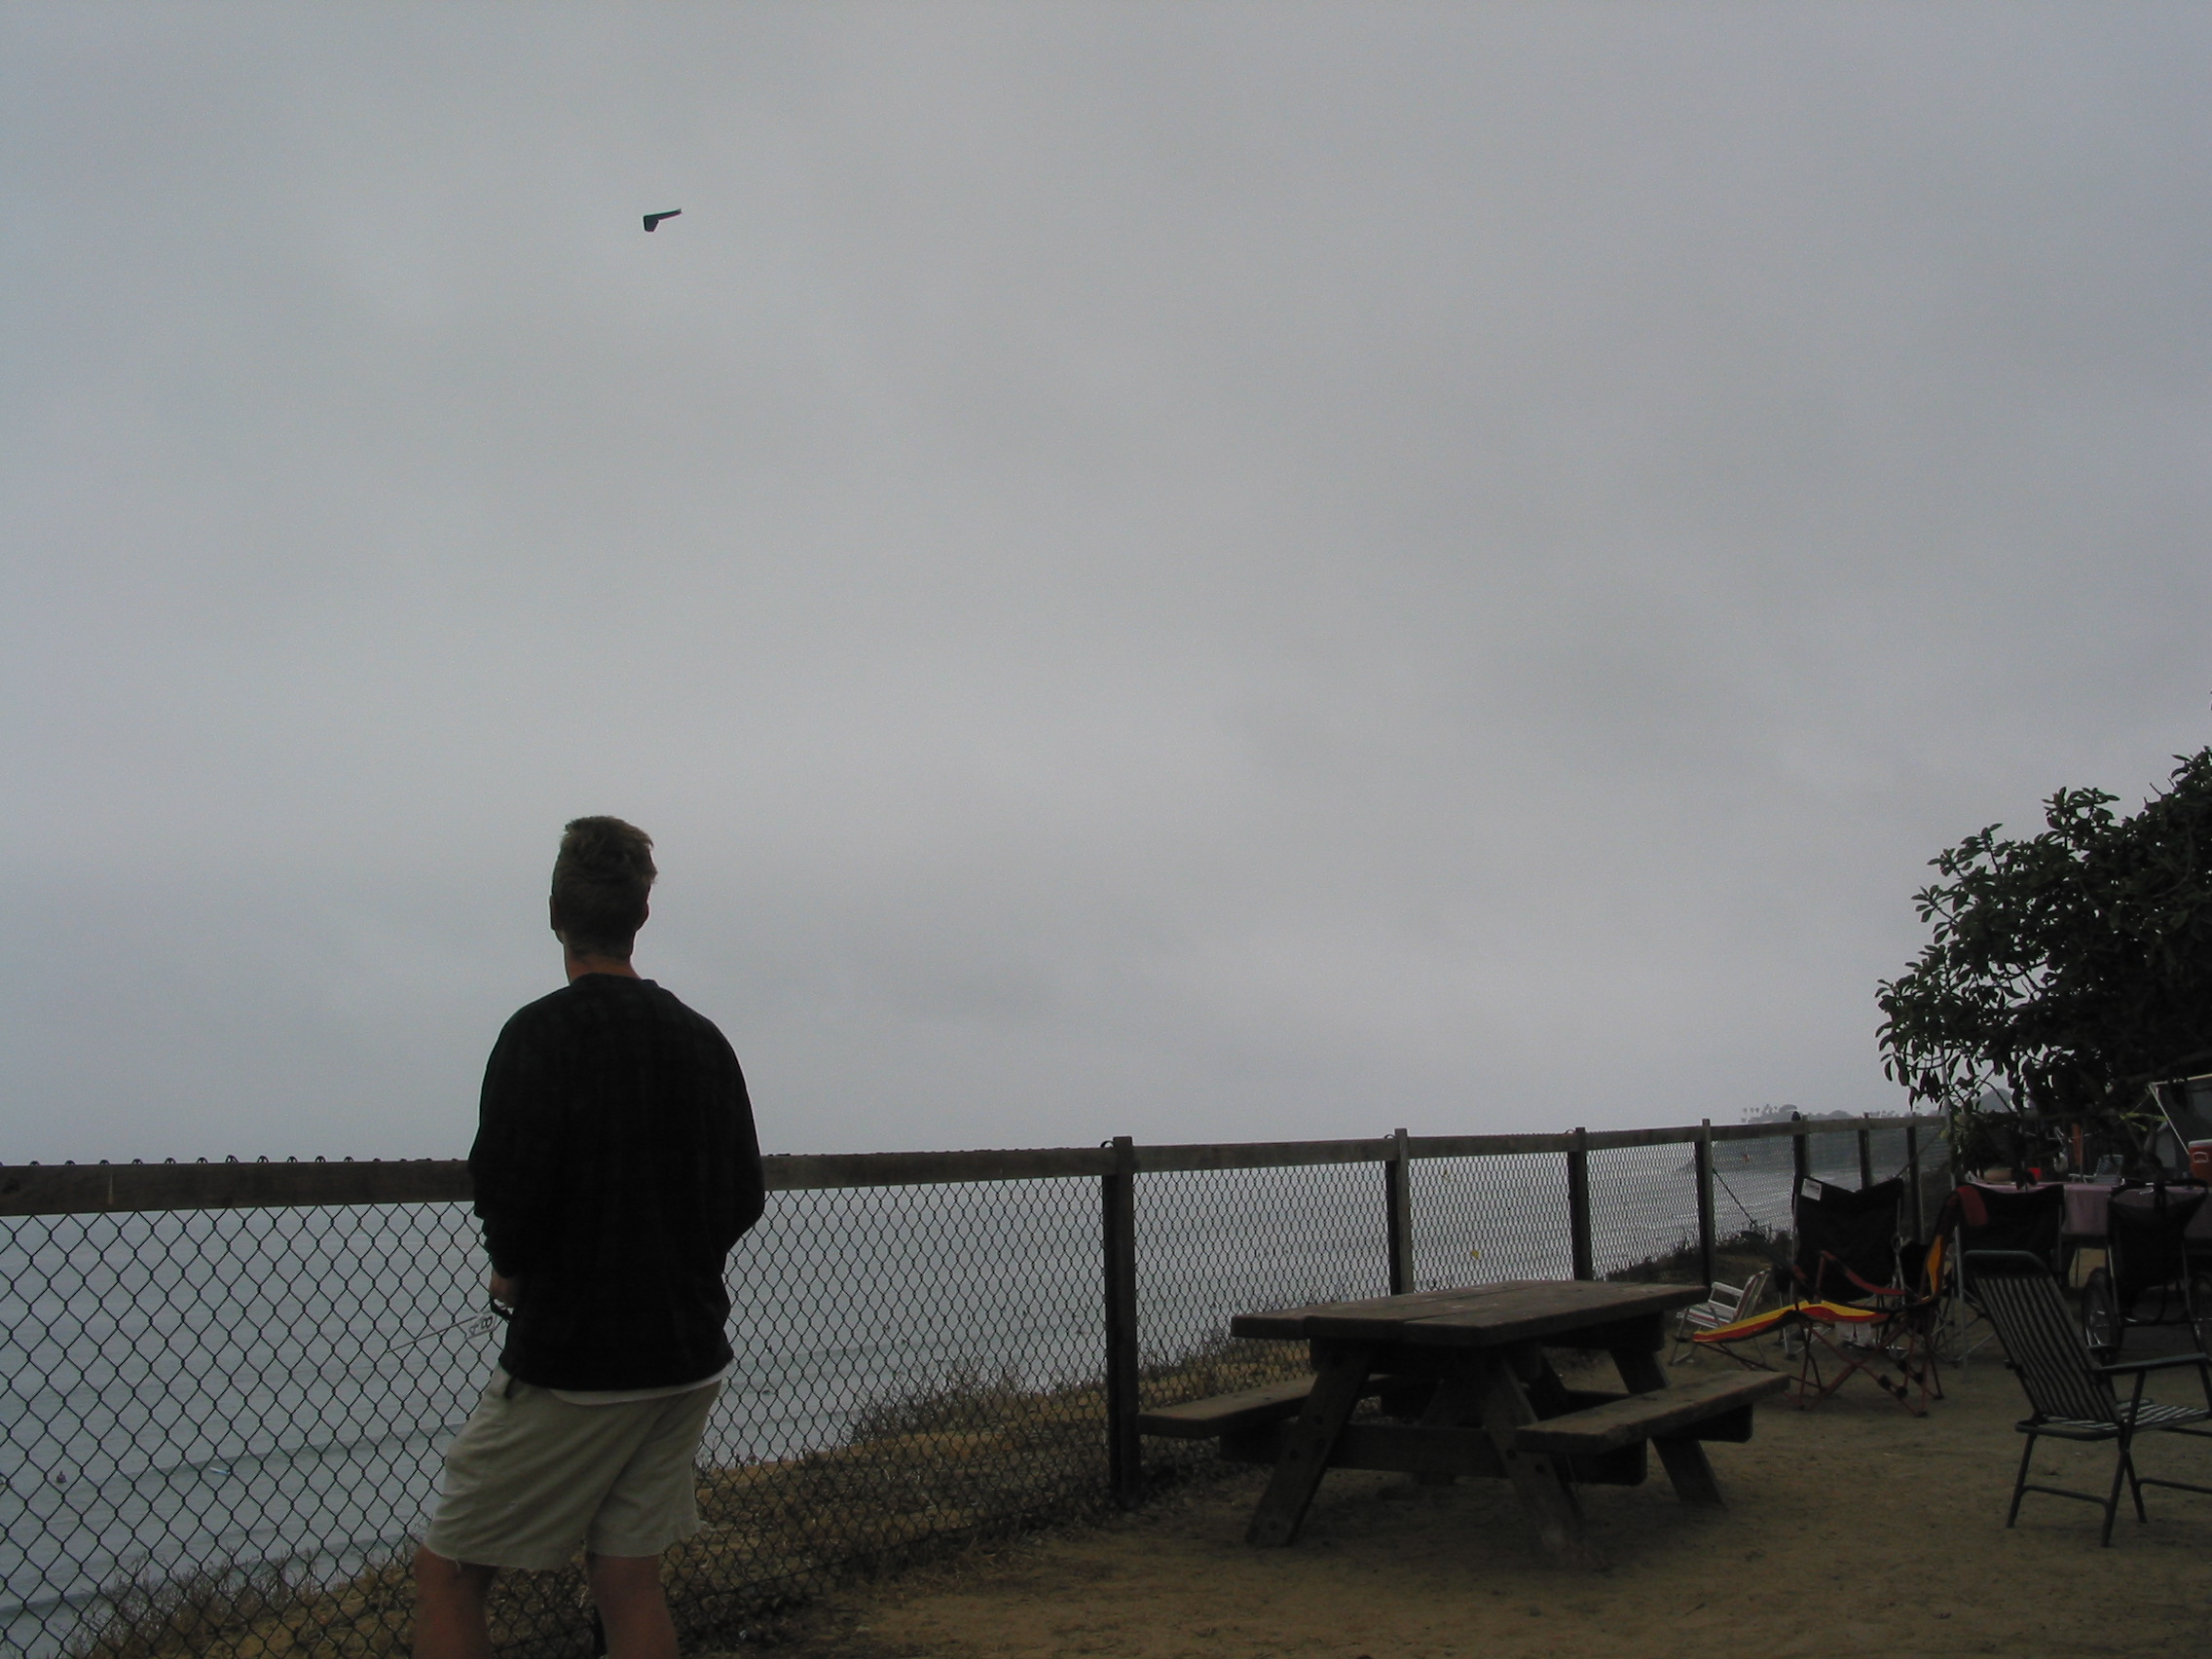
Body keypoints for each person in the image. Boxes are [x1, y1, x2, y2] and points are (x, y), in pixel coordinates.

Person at [415, 817, 765, 1659]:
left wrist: (514, 1270)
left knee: (450, 1573)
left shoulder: (537, 1038)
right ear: (641, 915)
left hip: (577, 1363)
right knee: (625, 1576)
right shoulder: (702, 1040)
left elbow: (510, 1189)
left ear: (554, 916)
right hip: (687, 1354)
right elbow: (741, 1195)